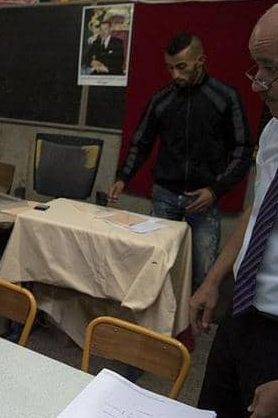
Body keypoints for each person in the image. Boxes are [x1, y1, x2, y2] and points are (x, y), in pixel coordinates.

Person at [109, 32, 253, 290]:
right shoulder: (161, 99)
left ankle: (193, 318)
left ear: (201, 61)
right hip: (164, 196)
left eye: (182, 67)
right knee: (156, 269)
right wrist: (123, 177)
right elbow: (140, 142)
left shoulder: (225, 97)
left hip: (204, 200)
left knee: (202, 276)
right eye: (170, 68)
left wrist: (215, 190)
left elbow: (243, 150)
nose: (175, 74)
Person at [191, 5, 278, 418]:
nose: (258, 84)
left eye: (271, 69)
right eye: (256, 66)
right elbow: (258, 212)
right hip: (242, 314)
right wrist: (214, 279)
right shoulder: (273, 130)